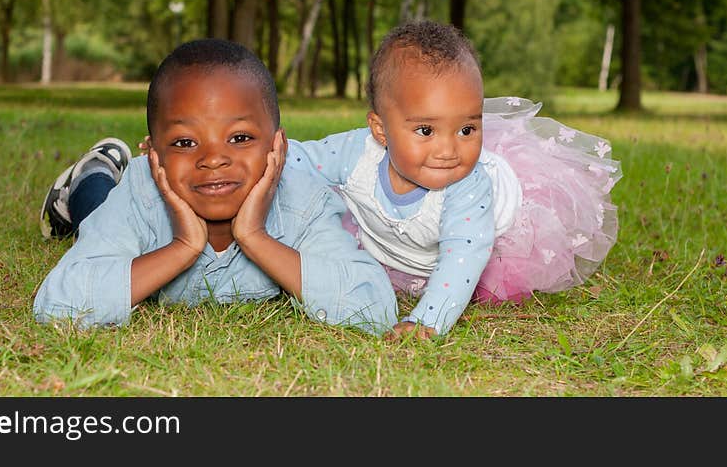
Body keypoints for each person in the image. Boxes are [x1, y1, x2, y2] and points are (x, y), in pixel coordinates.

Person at [33, 38, 399, 335]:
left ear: (278, 148)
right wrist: (183, 247)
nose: (213, 159)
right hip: (126, 202)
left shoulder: (303, 201)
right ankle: (93, 174)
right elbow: (58, 304)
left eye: (239, 137)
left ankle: (97, 172)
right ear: (154, 155)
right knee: (93, 216)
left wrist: (255, 237)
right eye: (185, 143)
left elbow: (375, 306)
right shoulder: (141, 190)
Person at [283, 20, 622, 339]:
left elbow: (465, 254)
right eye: (425, 130)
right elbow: (301, 159)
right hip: (401, 238)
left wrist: (426, 322)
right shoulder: (356, 152)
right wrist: (260, 156)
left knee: (487, 282)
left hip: (492, 230)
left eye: (467, 129)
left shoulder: (468, 186)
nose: (448, 150)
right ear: (381, 130)